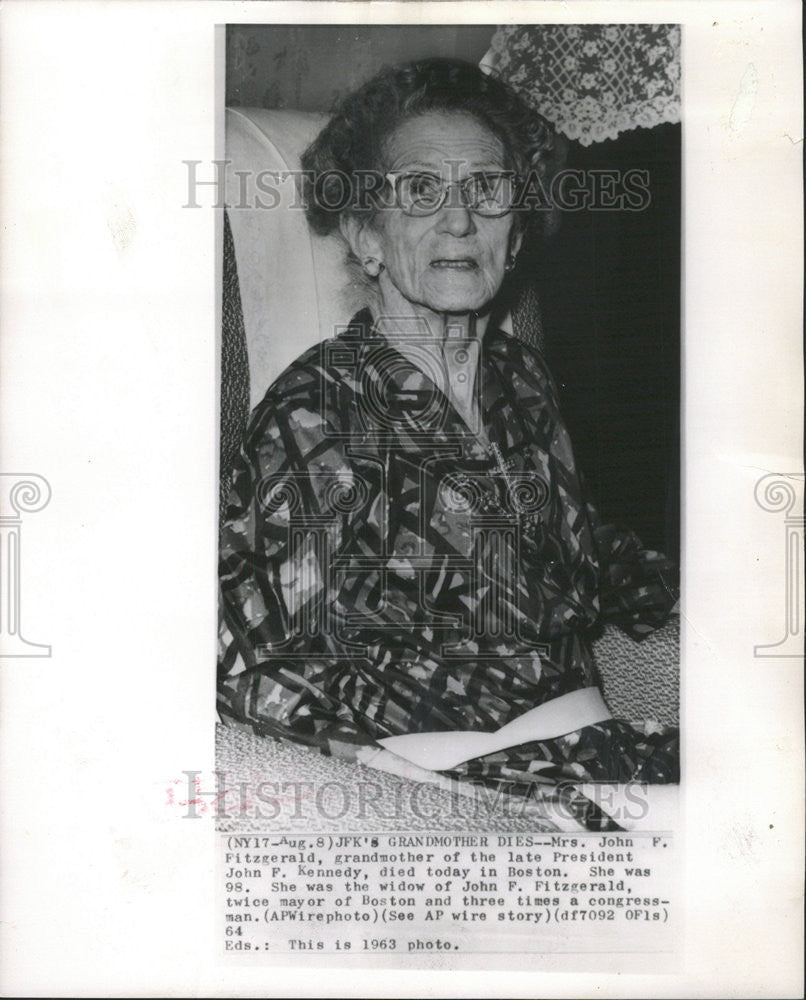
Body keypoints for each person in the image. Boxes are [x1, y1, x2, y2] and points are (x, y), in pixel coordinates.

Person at [218, 58, 678, 829]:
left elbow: (579, 550)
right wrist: (412, 783)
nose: (459, 221)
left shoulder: (521, 380)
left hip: (603, 752)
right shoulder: (318, 412)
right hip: (482, 787)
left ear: (518, 228)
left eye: (486, 190)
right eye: (420, 191)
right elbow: (250, 660)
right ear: (367, 235)